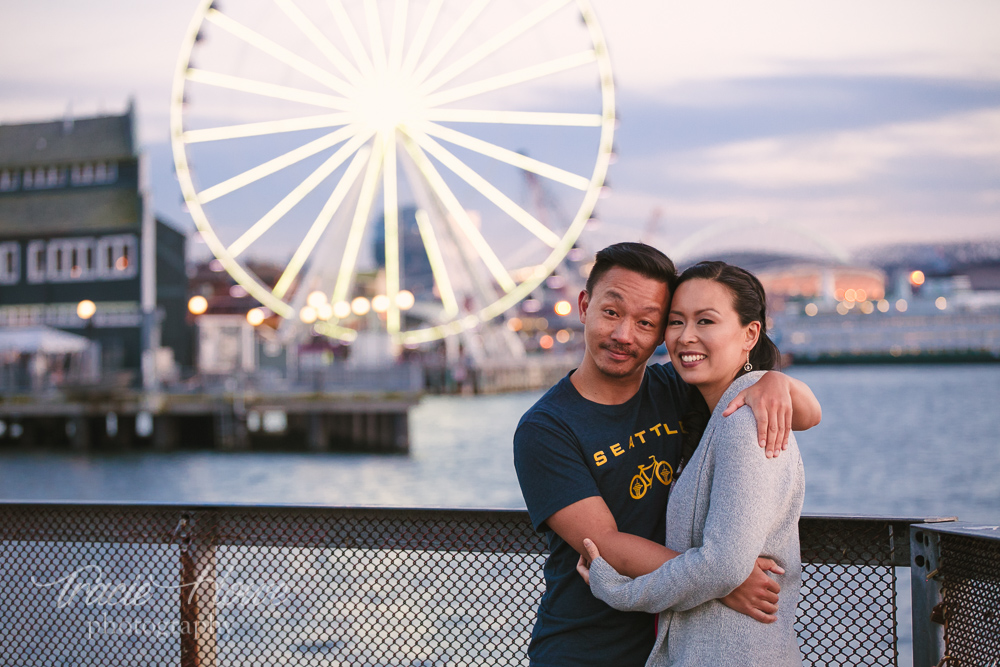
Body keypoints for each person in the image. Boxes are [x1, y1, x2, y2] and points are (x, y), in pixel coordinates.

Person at [513, 243, 821, 666]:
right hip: (586, 644)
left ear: (661, 332)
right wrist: (722, 578)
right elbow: (602, 543)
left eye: (646, 322)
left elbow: (808, 416)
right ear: (584, 306)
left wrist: (774, 383)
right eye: (611, 313)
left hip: (680, 639)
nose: (624, 335)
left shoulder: (676, 390)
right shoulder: (546, 428)